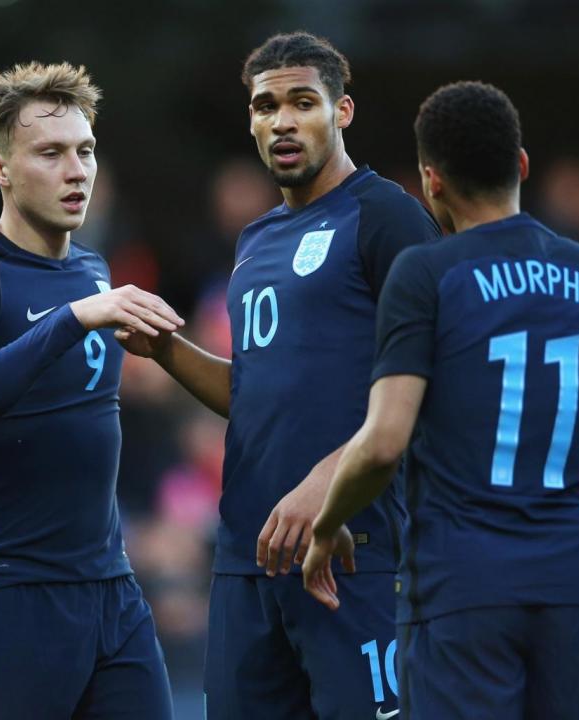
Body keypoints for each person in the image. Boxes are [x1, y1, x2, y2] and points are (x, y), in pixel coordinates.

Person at [301, 80, 579, 719]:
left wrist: (326, 527)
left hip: (460, 592)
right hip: (571, 593)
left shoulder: (426, 276)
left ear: (432, 182)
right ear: (521, 166)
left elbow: (382, 443)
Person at [116, 32, 440, 720]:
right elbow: (252, 394)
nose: (282, 121)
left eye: (303, 102)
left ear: (342, 111)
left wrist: (328, 482)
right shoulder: (255, 240)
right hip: (247, 560)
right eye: (266, 106)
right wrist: (166, 348)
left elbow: (431, 378)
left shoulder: (387, 218)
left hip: (355, 550)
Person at [0, 62, 179, 719]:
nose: (77, 170)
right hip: (7, 599)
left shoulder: (94, 270)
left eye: (86, 151)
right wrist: (73, 319)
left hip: (110, 590)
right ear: (0, 169)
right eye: (50, 153)